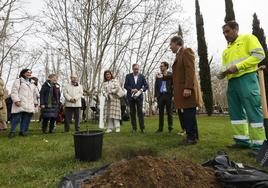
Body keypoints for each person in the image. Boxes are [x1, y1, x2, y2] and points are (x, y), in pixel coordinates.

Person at [218, 21, 266, 148]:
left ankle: (259, 144)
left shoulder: (248, 38)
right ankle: (242, 141)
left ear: (236, 29)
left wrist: (238, 66)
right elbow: (226, 66)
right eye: (223, 32)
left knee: (253, 109)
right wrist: (222, 73)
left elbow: (259, 55)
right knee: (236, 112)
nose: (225, 35)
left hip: (247, 78)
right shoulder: (226, 50)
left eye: (227, 31)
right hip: (232, 82)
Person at [170, 36, 202, 145]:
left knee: (188, 114)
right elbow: (178, 74)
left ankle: (191, 138)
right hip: (182, 91)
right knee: (188, 114)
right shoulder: (179, 55)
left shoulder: (186, 52)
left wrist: (188, 87)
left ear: (176, 43)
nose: (170, 47)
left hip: (187, 90)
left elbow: (190, 70)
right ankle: (193, 136)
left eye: (171, 44)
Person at [8, 69, 38, 138]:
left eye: (30, 73)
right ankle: (12, 132)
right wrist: (16, 100)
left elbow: (34, 94)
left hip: (29, 104)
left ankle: (23, 131)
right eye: (28, 72)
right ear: (23, 73)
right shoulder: (18, 81)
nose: (29, 74)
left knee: (26, 118)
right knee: (16, 118)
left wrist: (35, 102)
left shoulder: (32, 83)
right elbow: (14, 91)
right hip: (20, 103)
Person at [124, 64, 148, 133]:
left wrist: (140, 90)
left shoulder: (142, 76)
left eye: (137, 69)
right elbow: (125, 85)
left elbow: (146, 86)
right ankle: (134, 128)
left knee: (140, 112)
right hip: (130, 97)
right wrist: (131, 89)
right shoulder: (128, 76)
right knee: (132, 112)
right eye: (135, 69)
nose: (136, 70)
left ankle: (142, 128)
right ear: (132, 69)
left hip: (139, 97)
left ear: (139, 69)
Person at [154, 62, 173, 133]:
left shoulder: (170, 74)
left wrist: (173, 95)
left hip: (168, 95)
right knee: (161, 113)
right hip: (160, 96)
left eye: (162, 66)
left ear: (166, 67)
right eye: (160, 66)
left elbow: (173, 85)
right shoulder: (158, 76)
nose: (160, 67)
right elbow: (156, 86)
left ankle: (170, 127)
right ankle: (160, 128)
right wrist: (155, 96)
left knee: (169, 112)